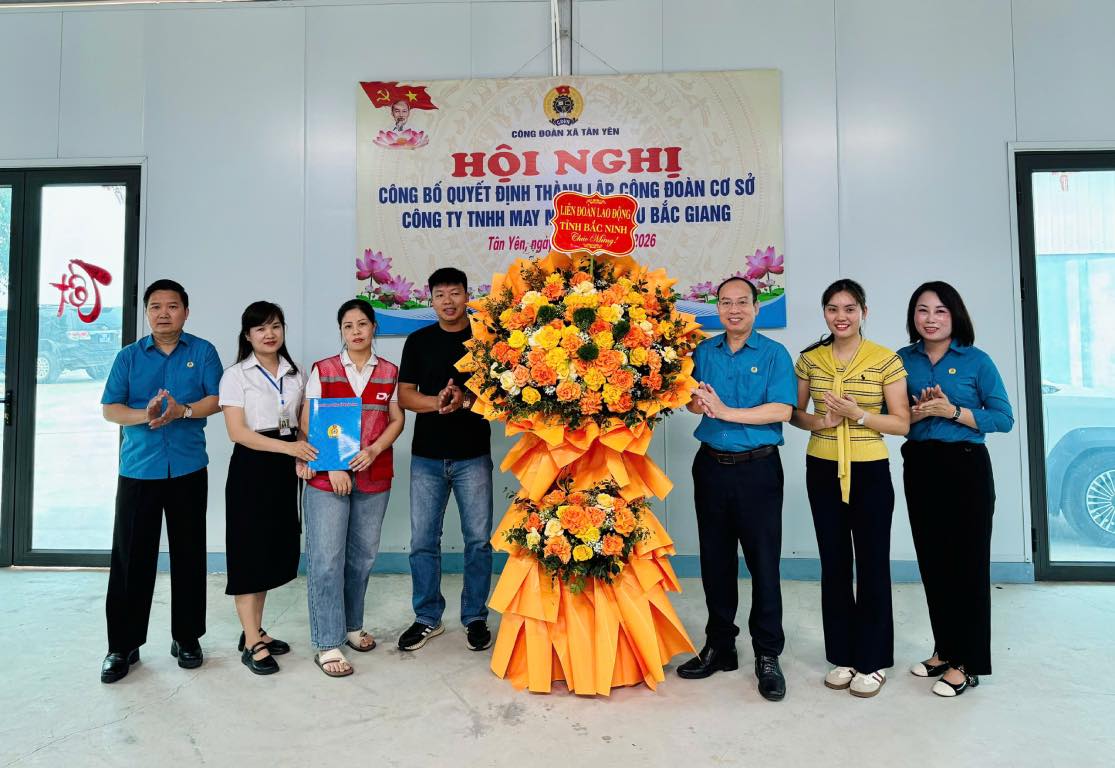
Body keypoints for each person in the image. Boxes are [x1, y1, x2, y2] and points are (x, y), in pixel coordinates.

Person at [677, 276, 796, 702]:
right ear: (717, 309)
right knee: (715, 561)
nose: (734, 310)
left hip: (757, 469)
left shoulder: (774, 354)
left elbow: (782, 409)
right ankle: (720, 645)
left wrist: (726, 410)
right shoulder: (704, 352)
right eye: (726, 303)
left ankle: (767, 653)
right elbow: (690, 401)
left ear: (756, 307)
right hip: (711, 466)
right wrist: (699, 402)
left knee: (764, 564)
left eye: (742, 302)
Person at [789, 278, 909, 698]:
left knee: (872, 564)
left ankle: (872, 660)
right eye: (833, 309)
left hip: (869, 471)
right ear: (824, 313)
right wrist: (821, 421)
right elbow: (795, 414)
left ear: (864, 312)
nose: (841, 317)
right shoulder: (810, 359)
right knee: (834, 563)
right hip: (822, 469)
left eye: (849, 309)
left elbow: (902, 423)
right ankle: (842, 654)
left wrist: (858, 414)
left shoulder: (885, 359)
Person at [99, 279, 222, 684]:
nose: (163, 313)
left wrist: (181, 411)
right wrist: (146, 415)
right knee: (131, 558)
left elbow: (216, 400)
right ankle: (123, 645)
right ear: (147, 313)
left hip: (188, 468)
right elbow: (110, 409)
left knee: (189, 554)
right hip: (139, 469)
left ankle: (186, 637)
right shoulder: (128, 357)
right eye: (155, 306)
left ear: (186, 311)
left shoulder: (203, 351)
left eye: (172, 306)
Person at [898, 281, 1014, 697]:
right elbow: (891, 417)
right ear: (913, 316)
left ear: (955, 316)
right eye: (922, 310)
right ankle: (944, 649)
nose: (930, 319)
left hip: (966, 467)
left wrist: (952, 411)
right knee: (933, 562)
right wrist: (916, 411)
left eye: (940, 311)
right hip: (920, 465)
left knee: (968, 565)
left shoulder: (977, 361)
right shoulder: (902, 360)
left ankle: (969, 663)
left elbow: (1003, 418)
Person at [297, 299, 404, 677]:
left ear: (374, 327)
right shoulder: (324, 370)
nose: (356, 331)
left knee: (362, 558)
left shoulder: (389, 371)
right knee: (327, 561)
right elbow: (308, 421)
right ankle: (327, 643)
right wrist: (332, 464)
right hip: (328, 478)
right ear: (341, 331)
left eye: (362, 324)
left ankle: (352, 626)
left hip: (375, 475)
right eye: (348, 326)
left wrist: (374, 449)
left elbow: (396, 419)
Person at [397, 267, 493, 653]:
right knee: (422, 541)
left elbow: (503, 394)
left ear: (467, 296)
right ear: (431, 299)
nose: (448, 301)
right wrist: (436, 402)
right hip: (427, 457)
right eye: (440, 295)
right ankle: (427, 617)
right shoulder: (418, 341)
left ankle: (475, 617)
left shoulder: (485, 340)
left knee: (478, 541)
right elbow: (405, 395)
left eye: (455, 293)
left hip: (473, 456)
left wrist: (466, 400)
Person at [219, 301, 317, 675]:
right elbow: (237, 432)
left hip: (285, 469)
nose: (269, 334)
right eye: (260, 328)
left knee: (270, 550)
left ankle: (255, 630)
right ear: (247, 336)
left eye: (275, 326)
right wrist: (290, 448)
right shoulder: (235, 375)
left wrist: (302, 451)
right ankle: (251, 642)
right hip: (252, 467)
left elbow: (302, 422)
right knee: (248, 554)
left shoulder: (296, 372)